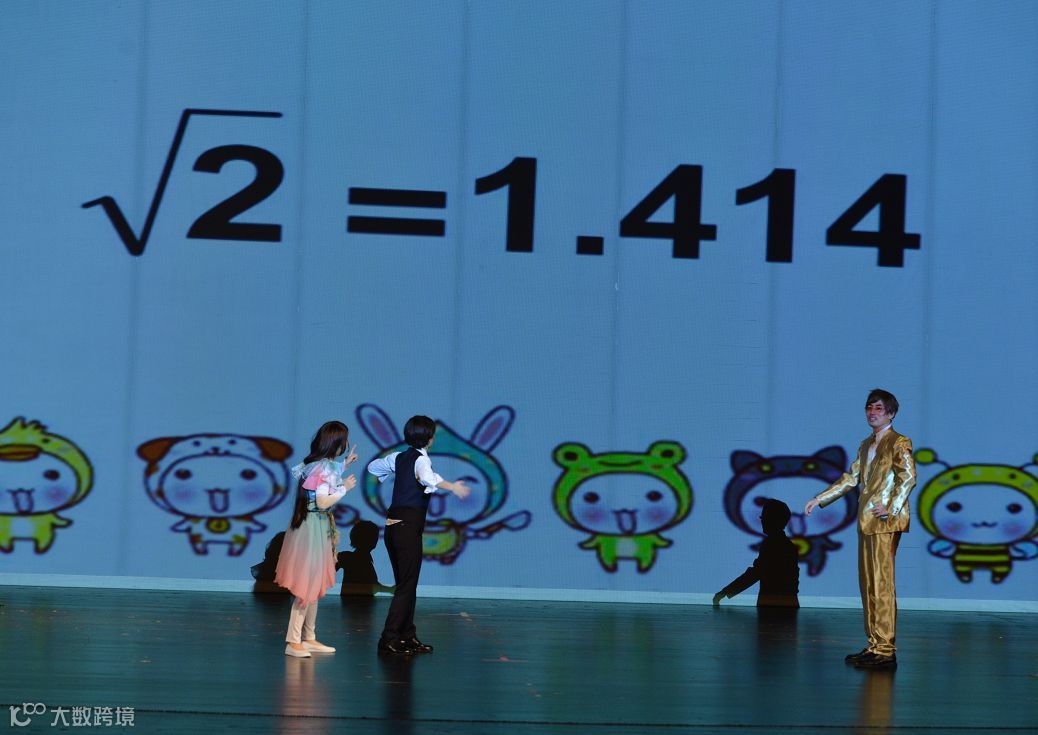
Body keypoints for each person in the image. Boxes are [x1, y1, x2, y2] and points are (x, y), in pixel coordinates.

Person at [805, 389, 916, 670]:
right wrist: (821, 499)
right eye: (869, 407)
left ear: (891, 413)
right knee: (868, 583)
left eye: (878, 408)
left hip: (885, 520)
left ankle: (886, 649)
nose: (872, 412)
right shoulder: (866, 444)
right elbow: (851, 478)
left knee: (882, 584)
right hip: (867, 520)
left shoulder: (899, 442)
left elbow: (908, 477)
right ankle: (874, 644)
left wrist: (891, 506)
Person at [367, 415, 470, 655]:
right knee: (406, 585)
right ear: (430, 438)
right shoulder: (421, 460)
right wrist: (453, 487)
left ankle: (407, 635)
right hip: (407, 528)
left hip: (394, 528)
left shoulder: (399, 457)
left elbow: (373, 467)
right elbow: (427, 478)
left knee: (407, 583)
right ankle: (389, 638)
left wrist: (394, 467)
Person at [275, 421, 358, 658]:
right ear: (337, 443)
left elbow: (322, 477)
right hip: (313, 528)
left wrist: (344, 465)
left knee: (314, 583)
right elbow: (322, 501)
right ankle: (293, 641)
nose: (346, 444)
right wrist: (344, 488)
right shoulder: (324, 467)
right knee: (306, 585)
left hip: (314, 526)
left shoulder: (317, 464)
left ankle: (308, 637)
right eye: (344, 440)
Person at [714, 499, 799, 608]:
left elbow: (756, 573)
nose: (762, 521)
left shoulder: (771, 545)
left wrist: (726, 592)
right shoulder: (788, 546)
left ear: (772, 520)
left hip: (771, 606)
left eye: (765, 518)